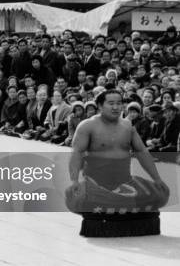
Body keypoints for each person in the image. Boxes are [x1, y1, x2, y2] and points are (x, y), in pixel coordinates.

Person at [67, 89, 168, 218]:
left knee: (160, 194)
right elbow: (76, 154)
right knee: (78, 198)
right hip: (96, 182)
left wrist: (157, 179)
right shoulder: (87, 126)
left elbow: (142, 152)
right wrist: (74, 180)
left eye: (119, 103)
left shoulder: (127, 126)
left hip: (124, 181)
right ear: (99, 106)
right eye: (111, 103)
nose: (116, 107)